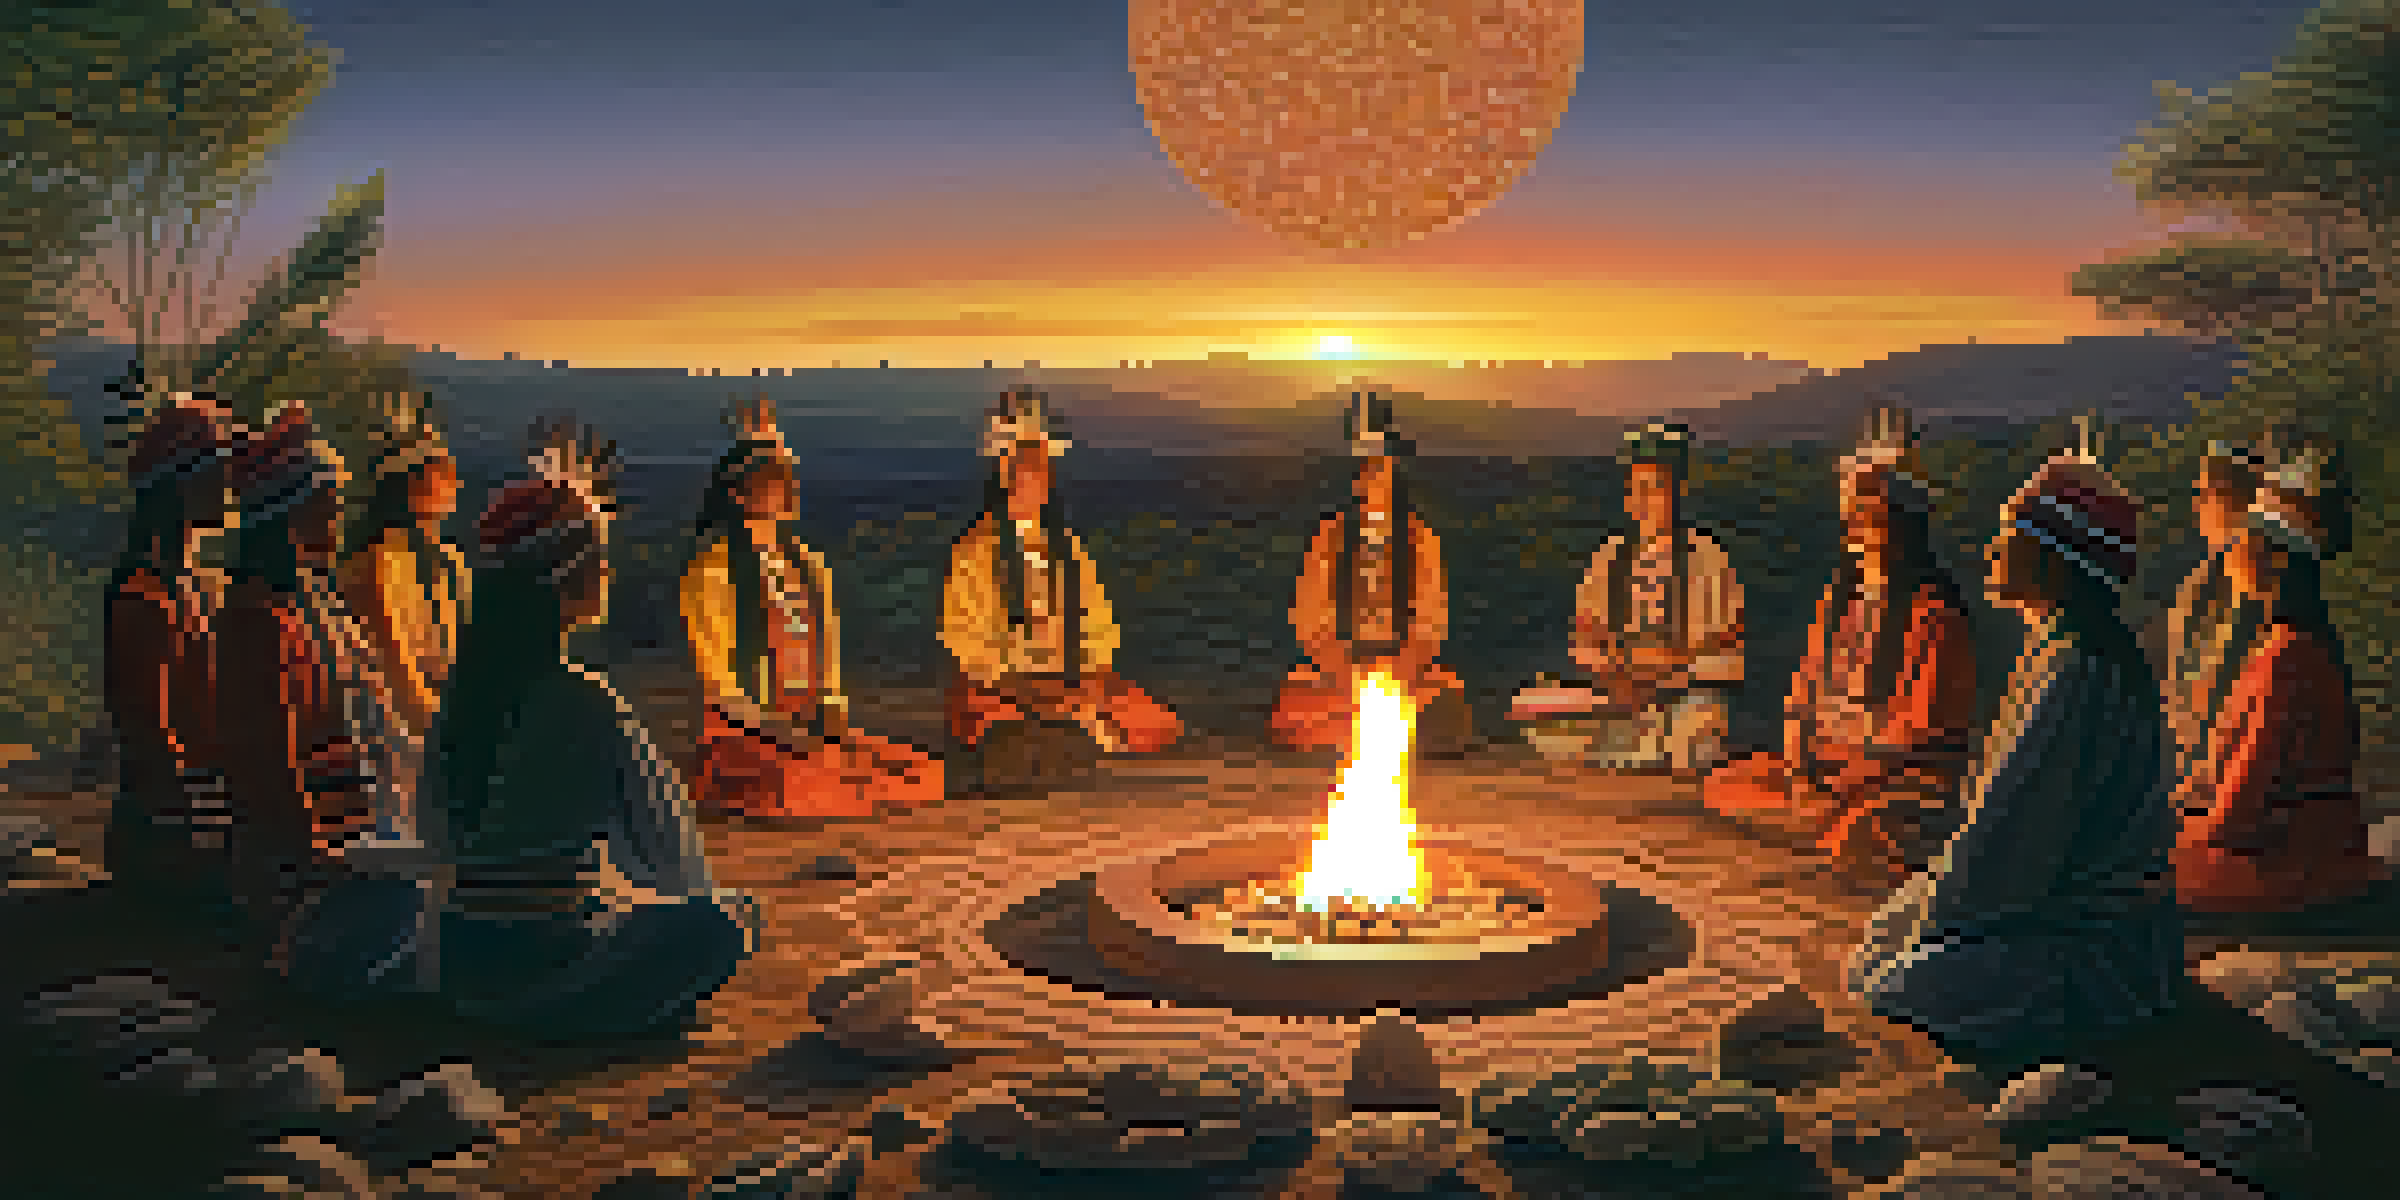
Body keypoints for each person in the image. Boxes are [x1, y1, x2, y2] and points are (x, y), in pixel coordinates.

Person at [1846, 426, 2178, 1072]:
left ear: (2053, 562)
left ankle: (2072, 1015)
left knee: (1891, 981)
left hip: (2090, 946)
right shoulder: (2058, 650)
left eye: (2011, 535)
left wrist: (1944, 912)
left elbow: (2011, 837)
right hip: (2038, 906)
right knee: (1876, 946)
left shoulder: (2074, 670)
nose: (1995, 548)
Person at [425, 419, 759, 1039]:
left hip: (459, 957)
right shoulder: (584, 698)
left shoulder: (465, 694)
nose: (608, 573)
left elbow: (438, 836)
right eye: (599, 558)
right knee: (721, 922)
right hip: (542, 958)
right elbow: (666, 846)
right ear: (568, 576)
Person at [1703, 407, 1977, 886]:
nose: (1861, 528)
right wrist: (1801, 758)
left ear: (1901, 522)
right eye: (1854, 514)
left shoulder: (1933, 612)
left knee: (1866, 823)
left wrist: (1838, 746)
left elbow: (1916, 735)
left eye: (1872, 514)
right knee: (1728, 784)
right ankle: (1817, 818)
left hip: (1892, 778)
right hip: (1827, 769)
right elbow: (1800, 700)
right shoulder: (1840, 605)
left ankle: (1831, 826)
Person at [682, 393, 942, 817]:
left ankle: (843, 784)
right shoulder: (713, 568)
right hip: (745, 727)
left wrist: (833, 712)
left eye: (783, 482)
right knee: (800, 781)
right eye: (768, 484)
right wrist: (773, 726)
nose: (781, 493)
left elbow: (828, 651)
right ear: (741, 495)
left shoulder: (808, 564)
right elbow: (718, 676)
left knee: (917, 769)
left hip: (810, 720)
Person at [2171, 437, 2387, 912]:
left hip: (2290, 869)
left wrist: (2173, 828)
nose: (2236, 555)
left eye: (2246, 543)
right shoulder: (2300, 648)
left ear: (2273, 557)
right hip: (2310, 855)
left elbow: (2237, 818)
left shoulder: (2284, 659)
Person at [218, 402, 397, 958]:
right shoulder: (259, 616)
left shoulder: (309, 604)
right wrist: (318, 858)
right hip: (295, 864)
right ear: (292, 512)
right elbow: (271, 755)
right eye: (330, 506)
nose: (339, 519)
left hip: (341, 836)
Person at [941, 388, 1183, 785]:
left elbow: (1096, 618)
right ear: (1006, 479)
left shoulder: (1065, 546)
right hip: (1007, 686)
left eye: (1041, 474)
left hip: (1069, 679)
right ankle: (1056, 736)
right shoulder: (975, 548)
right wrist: (1024, 682)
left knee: (1153, 721)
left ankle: (1071, 731)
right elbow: (965, 638)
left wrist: (1088, 674)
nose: (1034, 486)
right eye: (1026, 475)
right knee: (1002, 725)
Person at [1510, 422, 1743, 773]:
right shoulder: (1609, 556)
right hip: (1617, 695)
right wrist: (1615, 674)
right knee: (1541, 705)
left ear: (1675, 494)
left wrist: (1666, 671)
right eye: (1635, 490)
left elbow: (1726, 647)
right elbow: (1585, 637)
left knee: (1698, 724)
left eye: (1652, 490)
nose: (1641, 501)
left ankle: (1652, 756)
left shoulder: (1707, 557)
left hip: (1681, 695)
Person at [1270, 390, 1471, 755]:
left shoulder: (1418, 536)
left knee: (1444, 699)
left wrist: (1402, 668)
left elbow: (1431, 617)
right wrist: (1342, 671)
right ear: (1355, 484)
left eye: (1383, 472)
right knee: (1299, 705)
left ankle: (1372, 730)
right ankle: (1371, 730)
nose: (1375, 482)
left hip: (1404, 668)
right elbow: (1310, 616)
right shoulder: (1330, 536)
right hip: (1339, 668)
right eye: (1367, 474)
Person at [103, 388, 242, 906]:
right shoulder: (144, 596)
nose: (229, 484)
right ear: (181, 486)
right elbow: (149, 732)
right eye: (218, 469)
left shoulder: (196, 586)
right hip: (168, 836)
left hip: (194, 822)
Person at [337, 391, 468, 846]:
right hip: (391, 735)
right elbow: (393, 672)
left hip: (437, 720)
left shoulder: (449, 564)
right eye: (441, 472)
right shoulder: (374, 567)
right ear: (412, 486)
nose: (454, 482)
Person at [2159, 440, 2269, 786]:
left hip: (2222, 765)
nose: (2198, 505)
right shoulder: (2214, 573)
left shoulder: (2248, 575)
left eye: (2206, 493)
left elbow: (2224, 673)